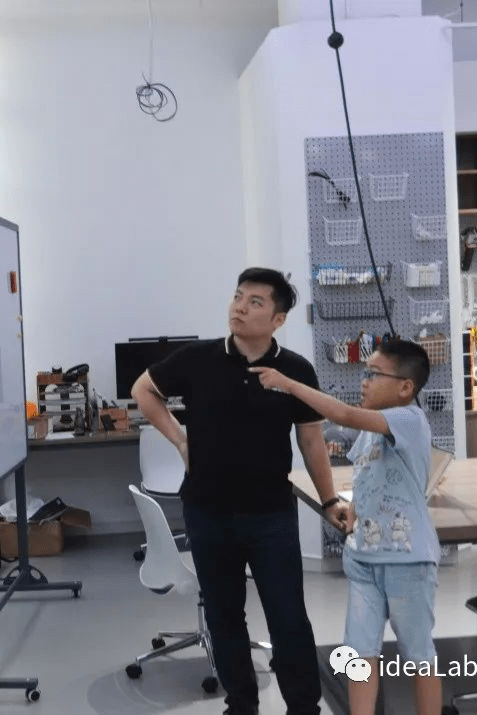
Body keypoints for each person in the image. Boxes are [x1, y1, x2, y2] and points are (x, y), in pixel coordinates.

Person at [131, 267, 347, 715]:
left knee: (288, 616)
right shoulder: (198, 359)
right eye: (237, 297)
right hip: (207, 511)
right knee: (224, 614)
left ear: (278, 319)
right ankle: (241, 705)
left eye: (255, 302)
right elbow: (143, 389)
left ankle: (303, 706)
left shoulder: (294, 370)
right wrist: (179, 439)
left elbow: (310, 440)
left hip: (271, 514)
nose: (240, 307)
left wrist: (329, 500)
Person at [251, 338, 442, 715]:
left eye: (374, 374)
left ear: (405, 387)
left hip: (407, 562)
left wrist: (288, 385)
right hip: (364, 560)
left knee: (419, 656)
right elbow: (368, 475)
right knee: (359, 653)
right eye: (364, 372)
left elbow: (343, 414)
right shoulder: (372, 428)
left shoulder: (409, 420)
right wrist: (352, 508)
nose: (364, 381)